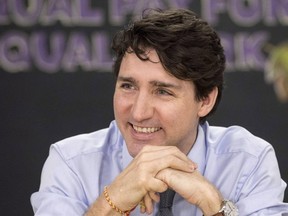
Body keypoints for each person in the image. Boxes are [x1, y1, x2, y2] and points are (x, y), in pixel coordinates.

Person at [31, 8, 288, 216]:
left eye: (163, 91)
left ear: (206, 100)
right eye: (128, 86)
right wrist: (113, 202)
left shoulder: (249, 161)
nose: (139, 112)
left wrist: (213, 205)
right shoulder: (71, 163)